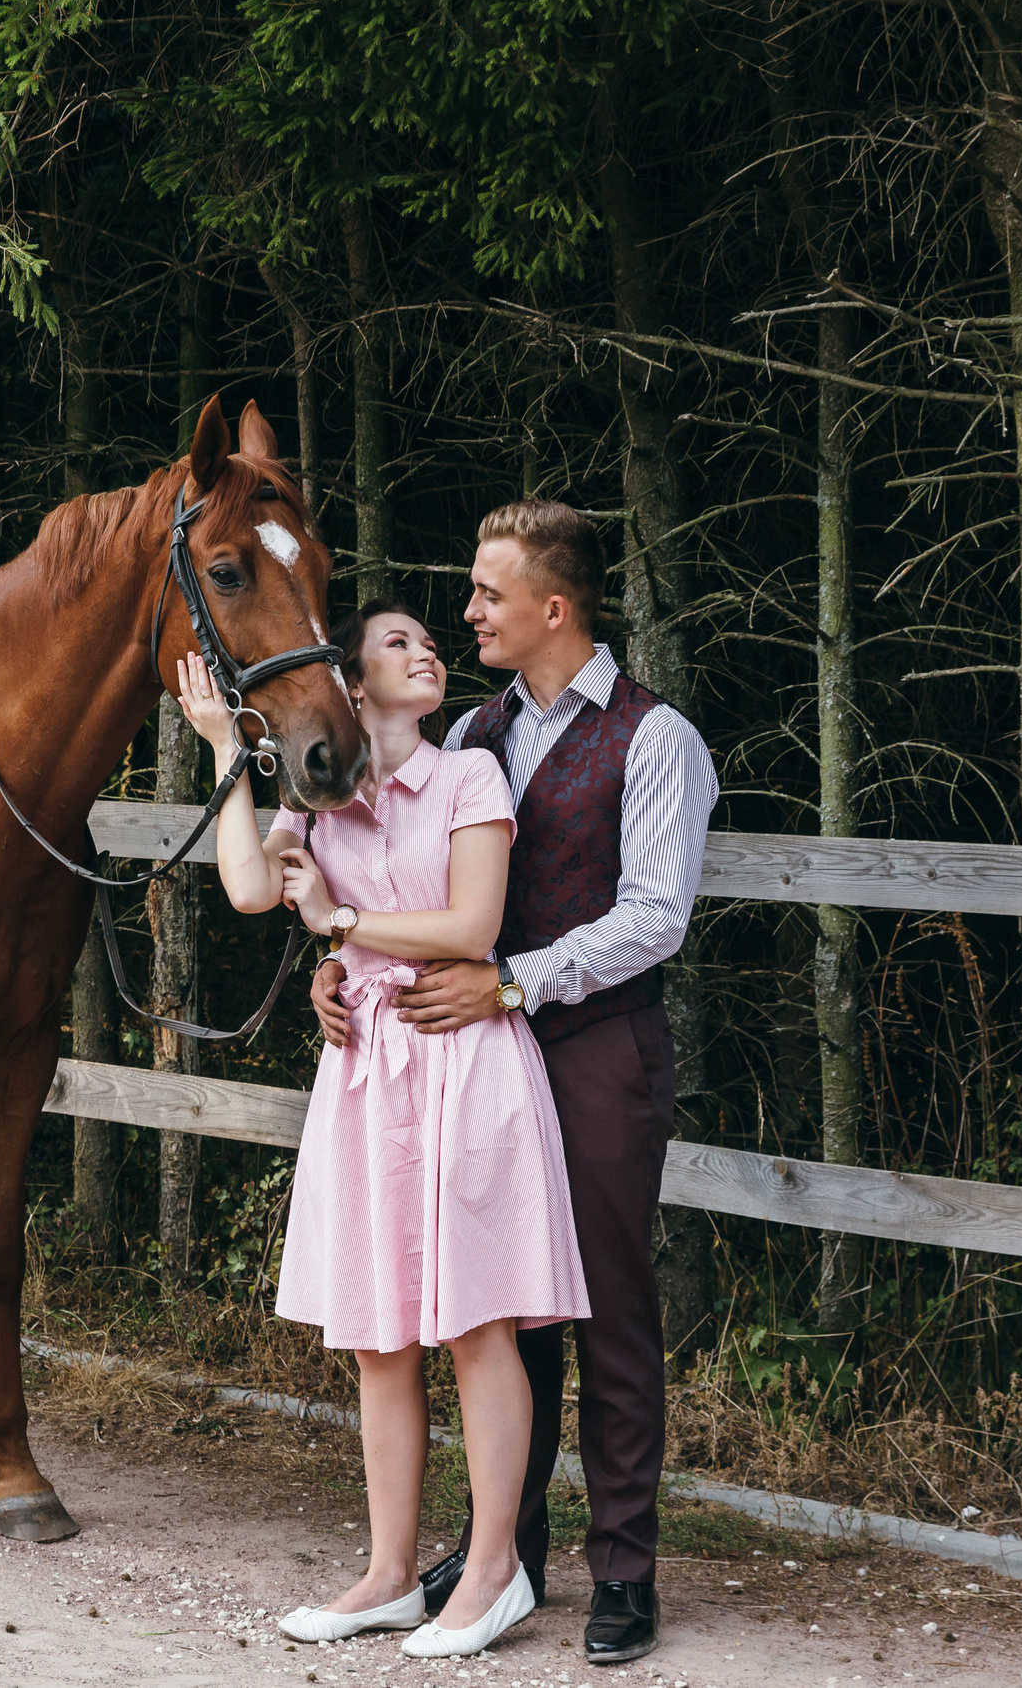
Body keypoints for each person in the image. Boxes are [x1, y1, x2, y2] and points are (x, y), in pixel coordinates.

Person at [312, 500, 716, 1666]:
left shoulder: (655, 738)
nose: (469, 612)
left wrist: (512, 981)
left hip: (594, 1044)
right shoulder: (473, 734)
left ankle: (623, 1569)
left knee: (608, 1308)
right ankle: (508, 1556)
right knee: (499, 1302)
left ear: (554, 607)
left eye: (488, 595)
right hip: (469, 1053)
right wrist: (340, 971)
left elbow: (655, 916)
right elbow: (396, 869)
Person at [170, 605, 589, 1661]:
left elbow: (472, 928)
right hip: (366, 1077)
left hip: (464, 1062)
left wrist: (342, 926)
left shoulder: (469, 777)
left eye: (426, 641)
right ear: (352, 687)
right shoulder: (319, 800)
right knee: (378, 1336)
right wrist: (224, 748)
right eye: (397, 643)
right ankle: (390, 1573)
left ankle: (493, 1570)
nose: (426, 649)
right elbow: (248, 887)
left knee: (478, 1323)